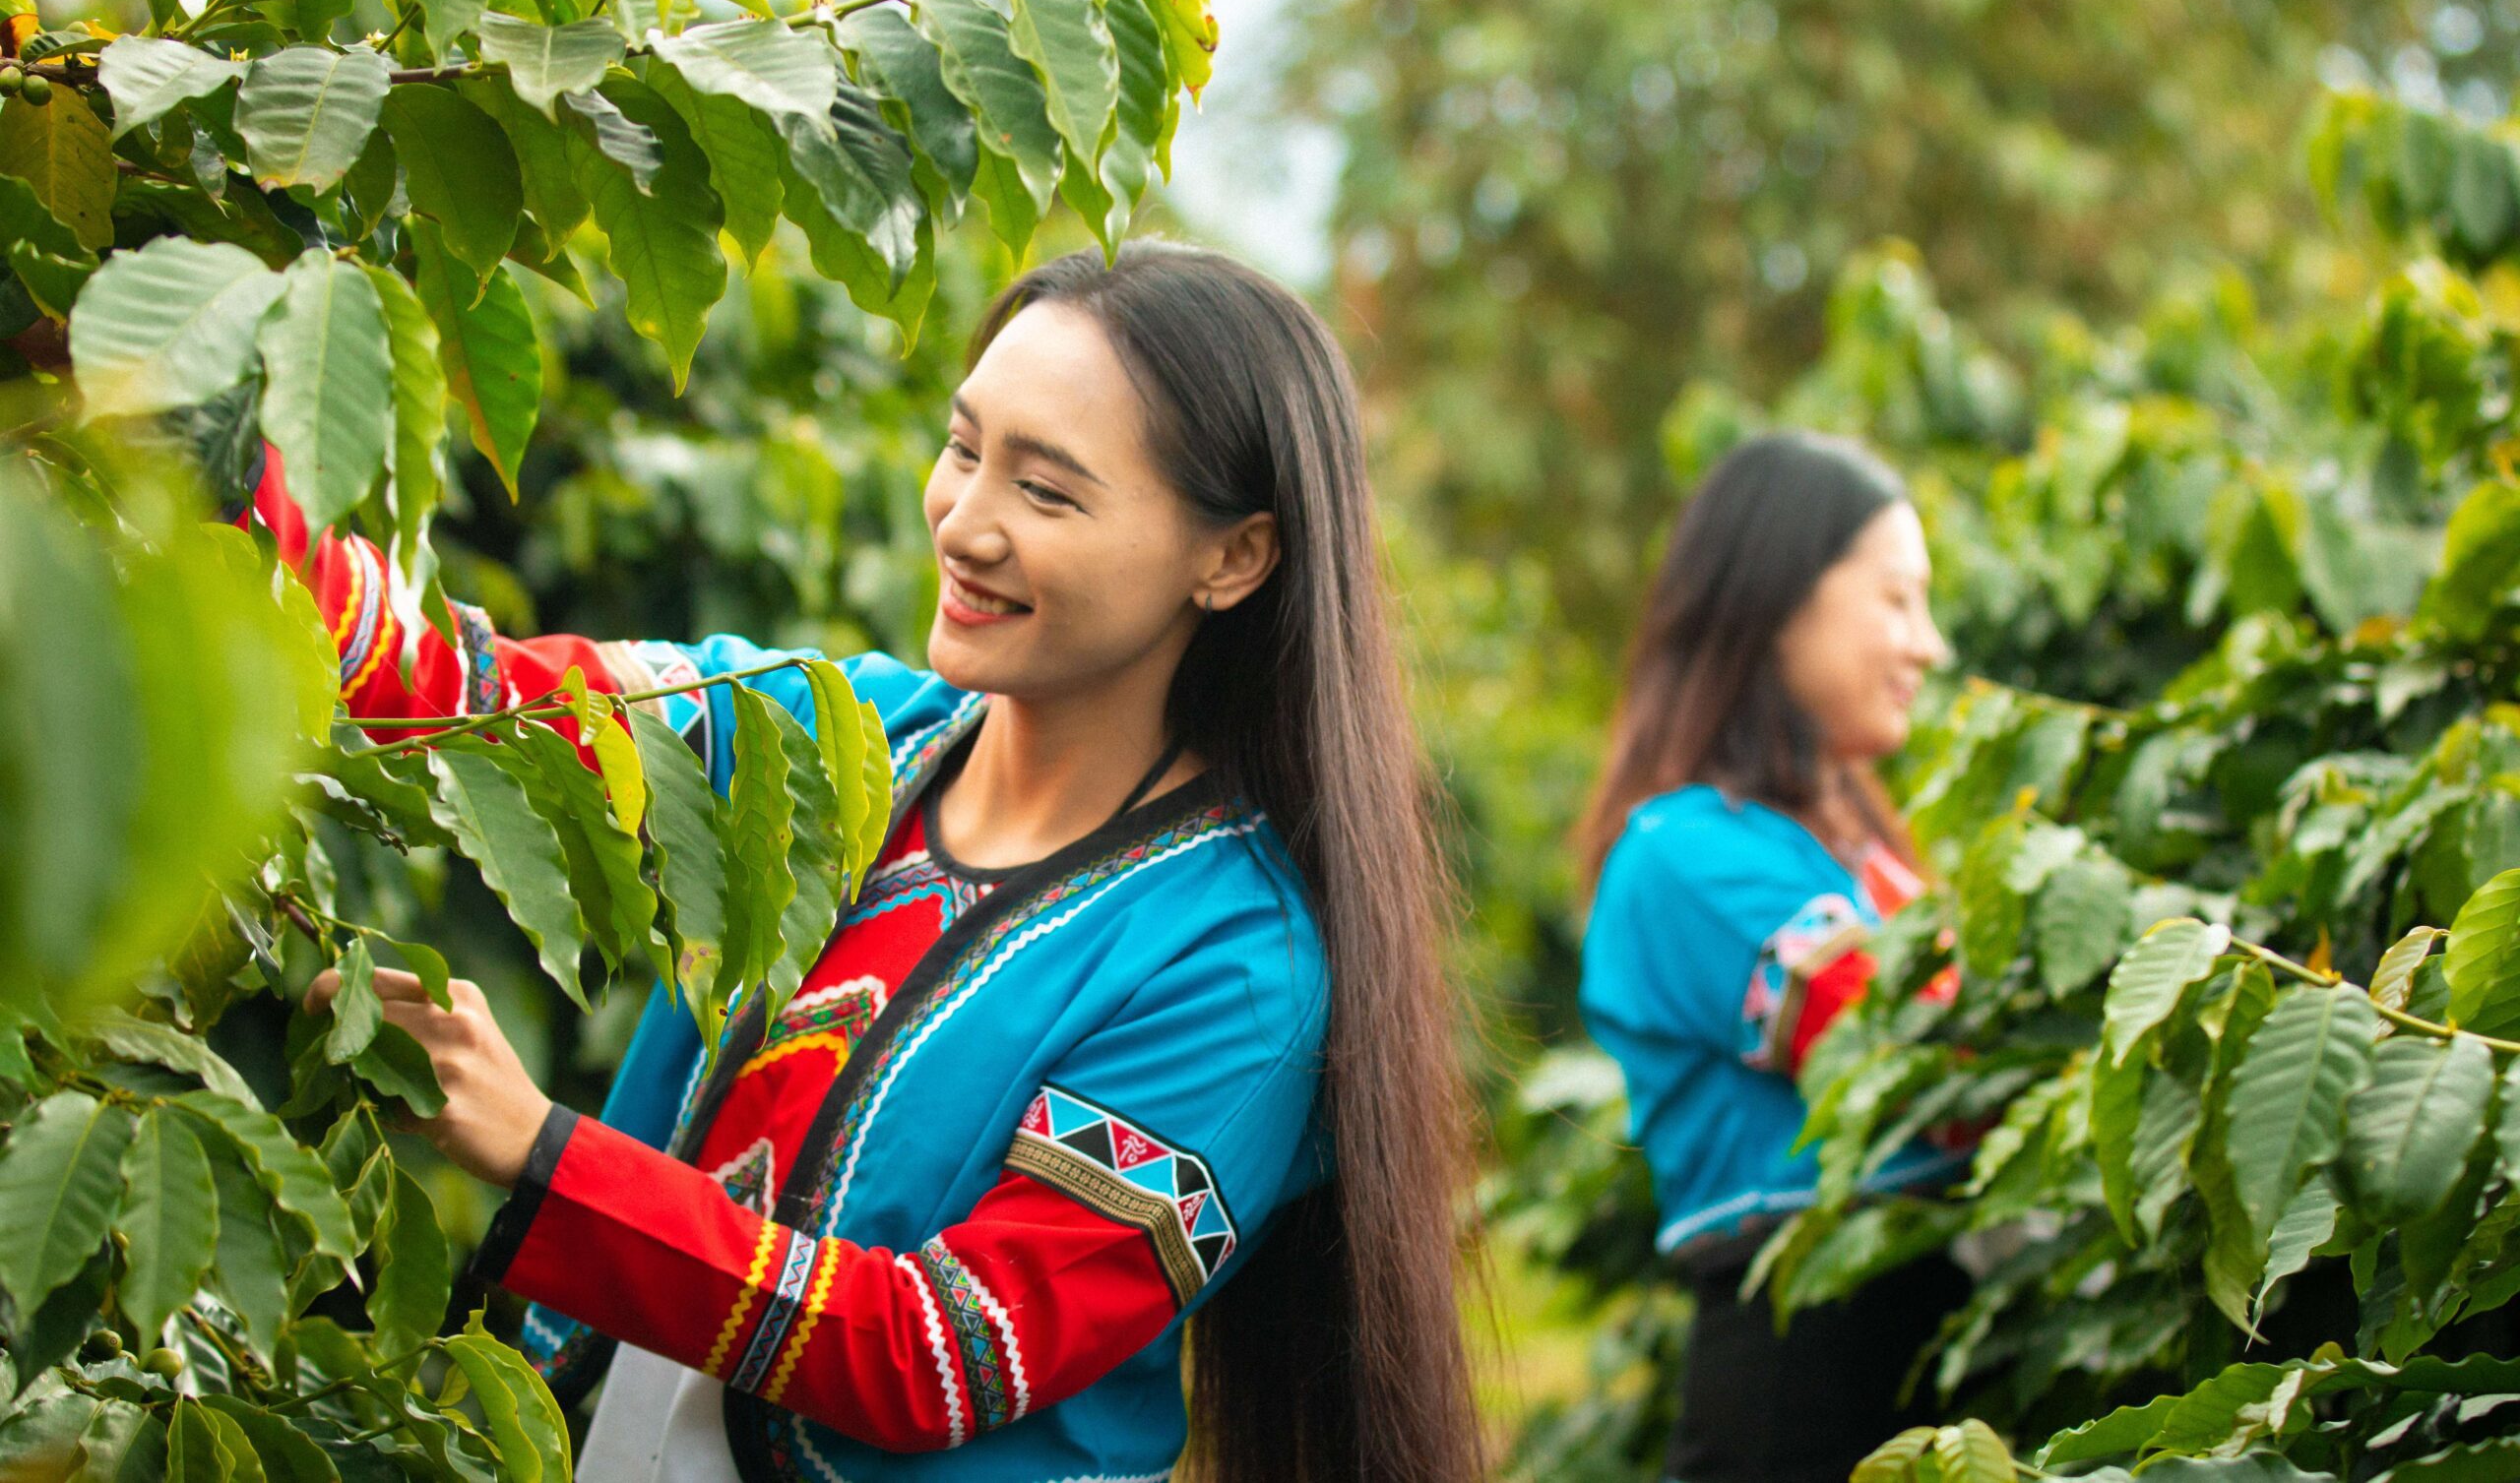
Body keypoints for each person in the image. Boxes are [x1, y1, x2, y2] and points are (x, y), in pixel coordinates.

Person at [260, 243, 1482, 1483]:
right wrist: (206, 455)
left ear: (1233, 557)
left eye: (1045, 492)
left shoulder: (1236, 970)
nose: (964, 522)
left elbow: (939, 1351)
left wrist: (541, 1152)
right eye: (962, 449)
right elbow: (462, 693)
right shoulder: (826, 739)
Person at [1573, 430, 1970, 1483]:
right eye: (1896, 600)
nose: (1928, 645)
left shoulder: (1867, 859)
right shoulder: (1687, 854)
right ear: (1779, 601)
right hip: (1803, 1393)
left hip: (1912, 1357)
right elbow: (1928, 1064)